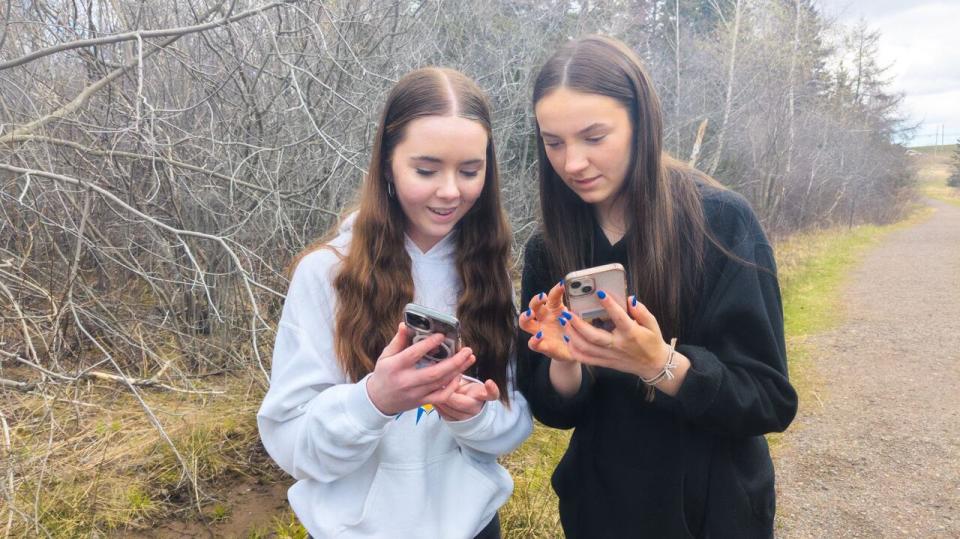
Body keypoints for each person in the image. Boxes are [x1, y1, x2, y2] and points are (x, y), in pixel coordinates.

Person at [517, 35, 798, 538]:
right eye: (553, 142)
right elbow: (556, 411)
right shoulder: (548, 246)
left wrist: (658, 365)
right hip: (602, 510)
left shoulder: (721, 223)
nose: (572, 162)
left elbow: (769, 399)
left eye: (594, 136)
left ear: (641, 124)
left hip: (714, 514)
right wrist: (565, 360)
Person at [258, 67, 532, 539]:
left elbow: (511, 425)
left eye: (470, 170)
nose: (451, 190)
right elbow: (291, 443)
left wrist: (474, 416)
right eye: (426, 170)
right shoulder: (327, 274)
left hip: (474, 526)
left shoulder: (487, 272)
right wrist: (374, 400)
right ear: (387, 163)